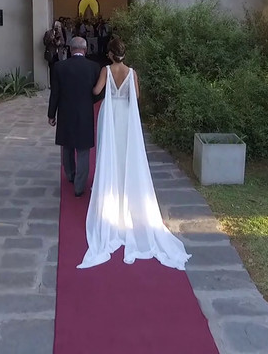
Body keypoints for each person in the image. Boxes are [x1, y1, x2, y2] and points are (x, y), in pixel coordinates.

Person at [77, 36, 191, 271]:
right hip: (125, 117)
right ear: (124, 54)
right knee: (125, 155)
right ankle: (126, 193)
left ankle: (110, 192)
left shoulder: (106, 70)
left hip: (110, 116)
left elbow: (97, 90)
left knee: (110, 155)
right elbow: (136, 98)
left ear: (109, 54)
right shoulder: (131, 72)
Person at [48, 37, 101, 197]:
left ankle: (70, 175)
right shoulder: (94, 67)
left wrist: (51, 114)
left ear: (71, 50)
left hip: (65, 111)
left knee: (68, 145)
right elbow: (98, 92)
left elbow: (55, 93)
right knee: (83, 149)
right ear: (85, 50)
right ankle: (79, 186)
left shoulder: (59, 67)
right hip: (85, 111)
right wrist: (88, 101)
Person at [43, 21, 66, 88]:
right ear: (54, 26)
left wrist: (60, 43)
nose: (58, 28)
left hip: (58, 54)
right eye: (57, 26)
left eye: (59, 26)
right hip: (51, 54)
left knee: (59, 69)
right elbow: (45, 42)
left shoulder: (60, 33)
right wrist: (51, 39)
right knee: (52, 70)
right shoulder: (48, 33)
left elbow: (63, 42)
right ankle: (52, 85)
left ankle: (59, 84)